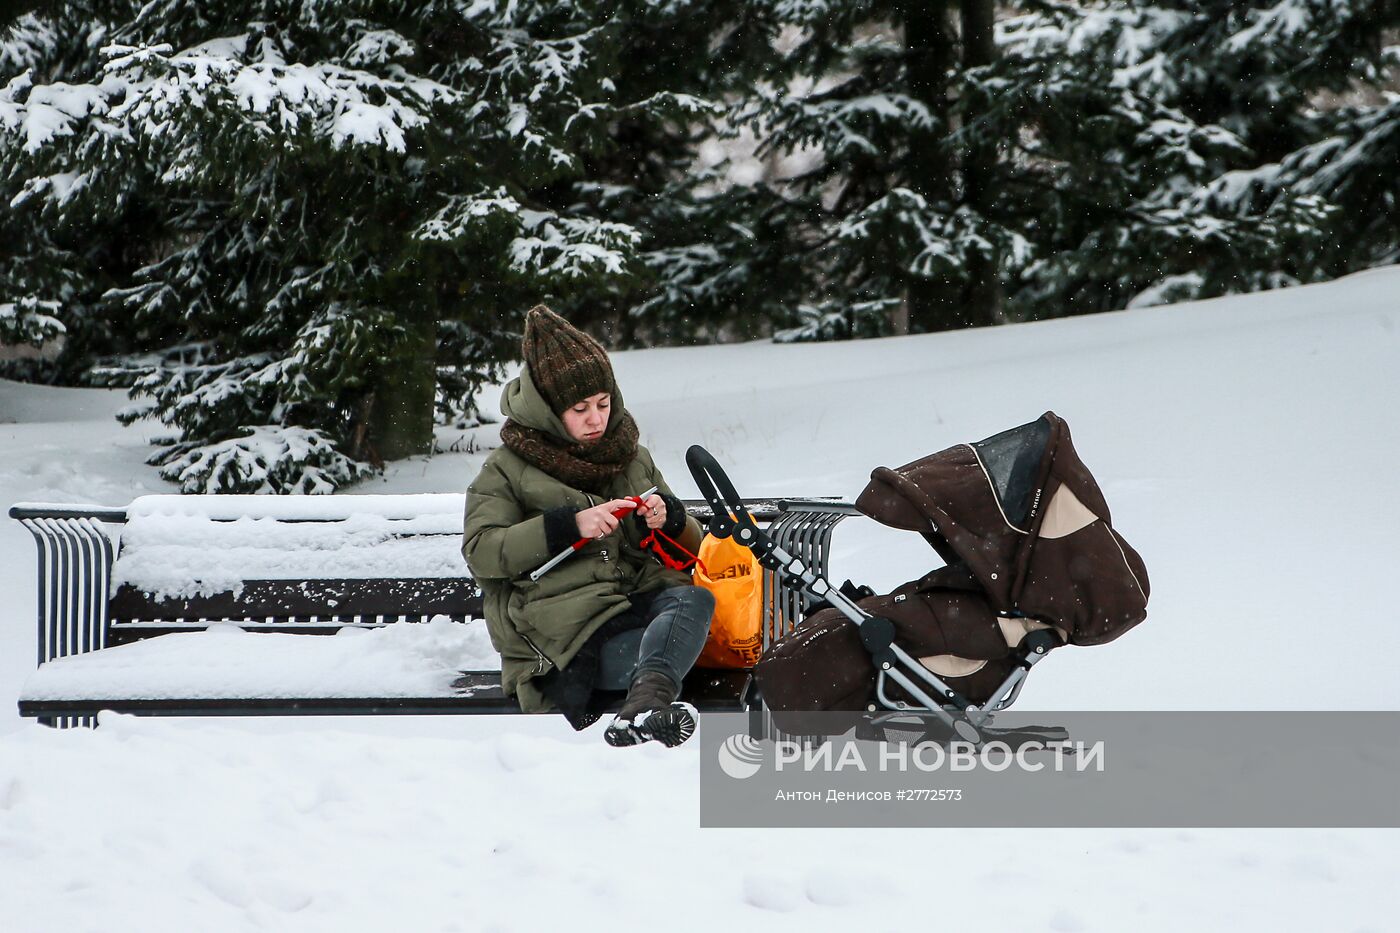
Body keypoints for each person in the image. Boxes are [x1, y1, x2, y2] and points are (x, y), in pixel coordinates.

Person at [461, 305, 714, 747]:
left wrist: (671, 519)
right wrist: (567, 527)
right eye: (580, 409)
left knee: (694, 601)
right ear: (547, 410)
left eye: (603, 403)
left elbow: (694, 548)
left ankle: (645, 705)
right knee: (675, 648)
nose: (597, 419)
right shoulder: (505, 470)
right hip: (565, 648)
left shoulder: (631, 456)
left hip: (643, 610)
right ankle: (648, 703)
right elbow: (482, 551)